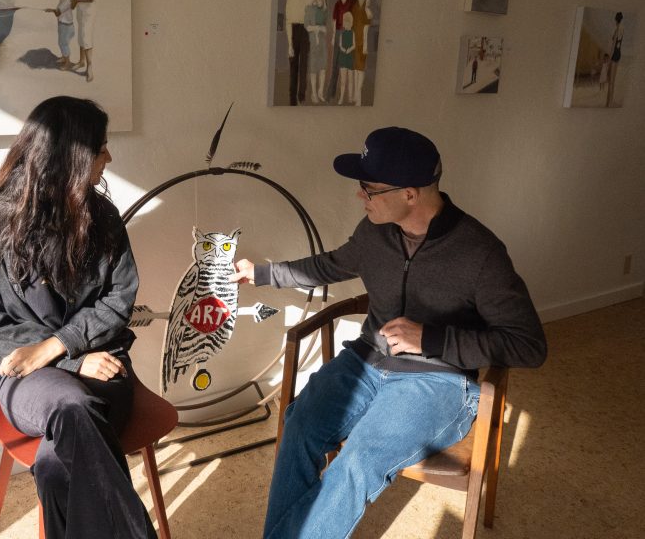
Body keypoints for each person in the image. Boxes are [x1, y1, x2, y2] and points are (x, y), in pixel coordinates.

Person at [230, 126, 547, 539]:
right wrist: (262, 273)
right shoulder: (374, 233)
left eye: (368, 188)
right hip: (366, 361)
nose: (359, 197)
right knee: (300, 425)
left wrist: (430, 339)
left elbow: (528, 346)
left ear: (409, 194)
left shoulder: (480, 254)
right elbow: (330, 265)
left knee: (359, 459)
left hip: (439, 382)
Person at [0, 96, 157, 539]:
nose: (109, 157)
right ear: (71, 155)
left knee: (53, 468)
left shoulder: (102, 218)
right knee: (71, 405)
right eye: (100, 147)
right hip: (24, 381)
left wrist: (58, 347)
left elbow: (118, 299)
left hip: (103, 365)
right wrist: (68, 362)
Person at [71, 0, 101, 82]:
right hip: (80, 8)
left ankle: (90, 67)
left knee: (86, 36)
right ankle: (81, 61)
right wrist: (74, 4)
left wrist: (77, 1)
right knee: (81, 35)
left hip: (89, 9)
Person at [284, 0, 310, 105]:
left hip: (305, 30)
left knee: (304, 64)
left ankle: (302, 96)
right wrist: (289, 44)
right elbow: (288, 20)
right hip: (293, 30)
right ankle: (292, 97)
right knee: (293, 65)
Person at [45, 0, 76, 70]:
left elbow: (58, 13)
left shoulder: (66, 1)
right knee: (61, 43)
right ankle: (64, 57)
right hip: (63, 25)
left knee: (63, 44)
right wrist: (52, 10)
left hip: (66, 26)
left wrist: (51, 10)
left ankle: (68, 63)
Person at [304, 0, 328, 103]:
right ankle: (314, 94)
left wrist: (323, 29)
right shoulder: (308, 9)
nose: (317, 1)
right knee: (313, 69)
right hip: (313, 41)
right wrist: (317, 28)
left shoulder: (323, 12)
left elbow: (326, 28)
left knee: (323, 68)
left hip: (322, 42)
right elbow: (307, 27)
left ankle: (320, 92)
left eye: (320, 0)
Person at [336, 11, 355, 105]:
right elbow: (340, 45)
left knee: (351, 79)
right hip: (343, 58)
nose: (346, 24)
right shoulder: (342, 34)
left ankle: (350, 97)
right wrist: (343, 49)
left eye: (348, 22)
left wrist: (350, 49)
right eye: (345, 22)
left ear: (351, 23)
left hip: (350, 57)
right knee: (343, 80)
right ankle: (341, 98)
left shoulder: (353, 33)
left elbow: (354, 45)